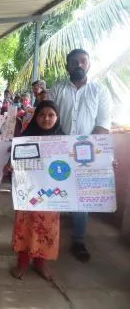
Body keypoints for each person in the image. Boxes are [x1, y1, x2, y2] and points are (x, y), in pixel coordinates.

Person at [49, 49, 112, 263]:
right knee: (53, 193)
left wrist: (85, 147)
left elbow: (103, 125)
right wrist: (61, 144)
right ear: (67, 66)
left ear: (89, 65)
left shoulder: (99, 91)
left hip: (88, 151)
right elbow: (48, 118)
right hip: (58, 147)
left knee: (81, 198)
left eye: (83, 61)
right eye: (74, 62)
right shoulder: (56, 90)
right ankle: (48, 239)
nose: (78, 65)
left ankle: (78, 240)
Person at [4, 100, 63, 281]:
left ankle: (40, 263)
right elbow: (13, 162)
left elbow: (77, 166)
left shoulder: (65, 140)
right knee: (26, 226)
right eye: (42, 114)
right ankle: (22, 263)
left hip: (52, 194)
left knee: (47, 228)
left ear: (57, 117)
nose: (46, 118)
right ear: (35, 117)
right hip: (28, 192)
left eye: (51, 115)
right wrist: (10, 167)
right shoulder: (24, 139)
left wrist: (105, 164)